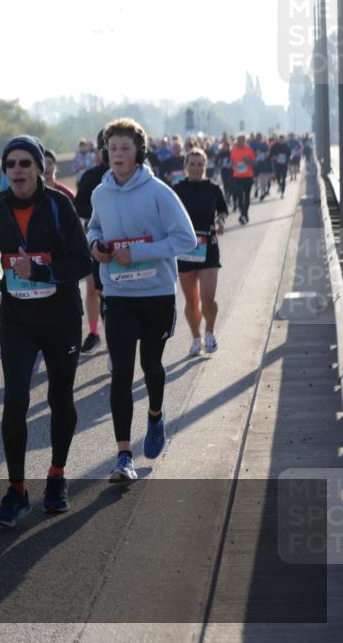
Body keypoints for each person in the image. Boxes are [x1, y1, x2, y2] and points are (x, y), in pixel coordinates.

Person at [0, 136, 91, 525]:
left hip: (60, 316)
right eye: (11, 165)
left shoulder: (58, 206)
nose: (17, 171)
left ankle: (56, 476)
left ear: (39, 168)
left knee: (59, 397)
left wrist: (39, 271)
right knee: (16, 398)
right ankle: (16, 489)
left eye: (25, 163)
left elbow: (82, 262)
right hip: (18, 318)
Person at [87, 118, 196, 482]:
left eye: (124, 148)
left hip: (156, 295)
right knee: (120, 371)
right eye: (112, 148)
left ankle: (155, 414)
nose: (117, 154)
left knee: (150, 364)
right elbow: (95, 228)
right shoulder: (100, 194)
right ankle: (123, 455)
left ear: (138, 154)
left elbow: (186, 240)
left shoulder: (160, 192)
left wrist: (142, 253)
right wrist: (95, 247)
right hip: (118, 295)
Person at [174, 149, 228, 357]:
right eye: (192, 164)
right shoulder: (177, 189)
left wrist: (220, 221)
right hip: (186, 248)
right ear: (186, 167)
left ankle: (210, 333)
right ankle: (196, 338)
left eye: (200, 164)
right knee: (191, 301)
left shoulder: (213, 189)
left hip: (209, 246)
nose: (196, 168)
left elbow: (222, 210)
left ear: (205, 167)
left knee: (208, 298)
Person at [74, 130, 110, 355]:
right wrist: (100, 213)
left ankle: (115, 337)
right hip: (95, 236)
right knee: (92, 287)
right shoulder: (91, 176)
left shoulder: (133, 174)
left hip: (124, 241)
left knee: (110, 291)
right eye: (107, 146)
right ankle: (95, 332)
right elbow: (79, 205)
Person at [229, 134, 256, 224]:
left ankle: (245, 213)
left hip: (248, 176)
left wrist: (248, 161)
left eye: (242, 140)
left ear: (245, 141)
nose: (241, 142)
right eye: (239, 140)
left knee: (247, 196)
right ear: (237, 141)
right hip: (237, 177)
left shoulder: (249, 150)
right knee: (240, 197)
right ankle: (242, 213)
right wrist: (233, 165)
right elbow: (232, 162)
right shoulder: (233, 150)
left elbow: (254, 163)